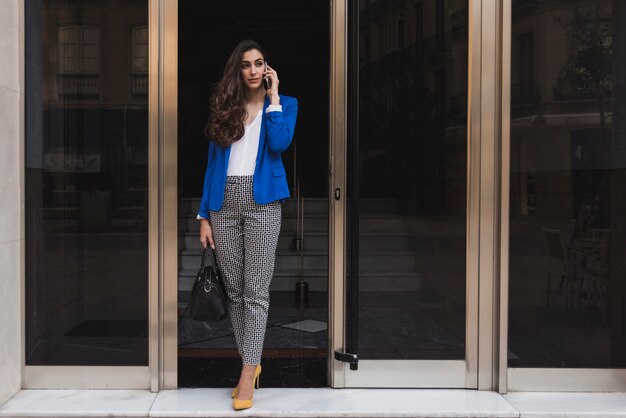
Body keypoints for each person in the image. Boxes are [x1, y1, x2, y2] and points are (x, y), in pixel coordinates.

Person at [197, 39, 298, 411]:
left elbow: (280, 143)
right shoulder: (226, 106)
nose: (254, 70)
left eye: (259, 64)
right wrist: (204, 215)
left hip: (263, 203)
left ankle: (246, 372)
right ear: (236, 70)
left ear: (267, 69)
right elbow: (211, 164)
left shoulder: (285, 105)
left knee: (255, 291)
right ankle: (250, 362)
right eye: (246, 65)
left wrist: (274, 99)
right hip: (223, 203)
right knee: (236, 292)